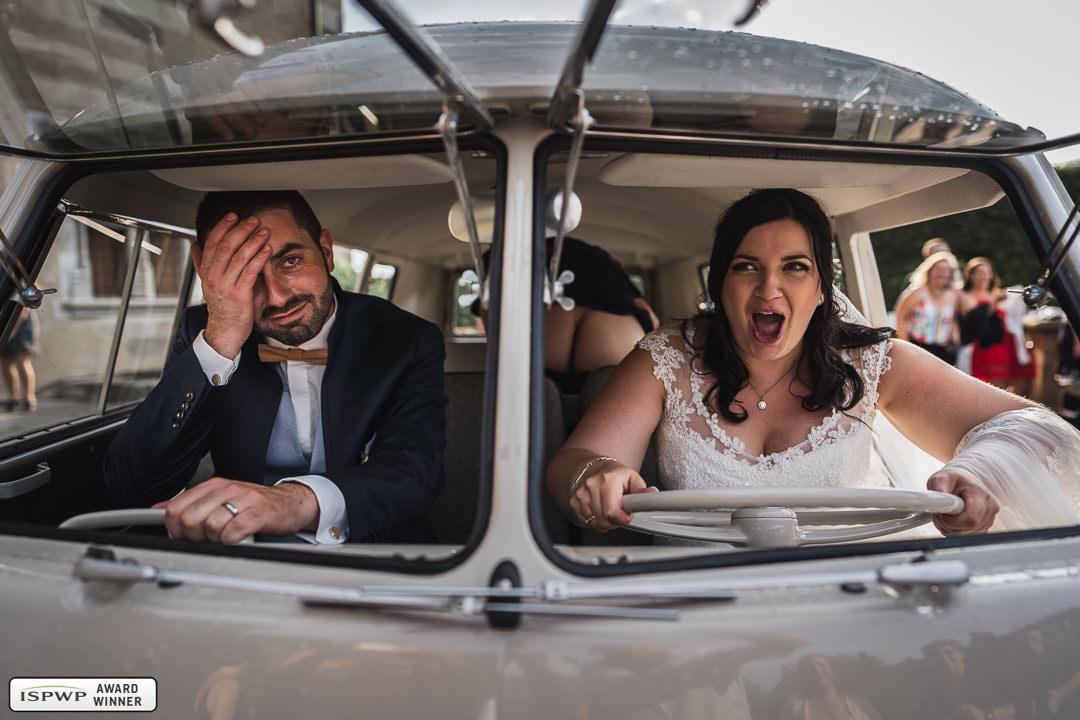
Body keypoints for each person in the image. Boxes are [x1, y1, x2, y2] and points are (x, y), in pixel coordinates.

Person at [546, 188, 1080, 536]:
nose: (769, 288)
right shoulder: (665, 358)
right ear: (720, 284)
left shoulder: (873, 362)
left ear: (823, 287)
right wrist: (596, 474)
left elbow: (1033, 425)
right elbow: (578, 458)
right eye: (746, 266)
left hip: (840, 595)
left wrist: (975, 470)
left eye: (795, 267)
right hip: (700, 602)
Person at [104, 191, 446, 544]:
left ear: (326, 251)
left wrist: (295, 503)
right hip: (245, 552)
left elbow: (414, 471)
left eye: (292, 261)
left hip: (371, 546)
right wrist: (220, 341)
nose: (278, 298)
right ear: (206, 270)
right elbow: (132, 485)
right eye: (244, 274)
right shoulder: (203, 331)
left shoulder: (406, 338)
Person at [958, 257, 1033, 396]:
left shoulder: (998, 293)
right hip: (984, 346)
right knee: (993, 385)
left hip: (1006, 343)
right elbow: (973, 319)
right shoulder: (965, 296)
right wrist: (993, 302)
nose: (984, 275)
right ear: (971, 275)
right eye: (980, 272)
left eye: (988, 272)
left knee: (1014, 382)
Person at [894, 250, 961, 364]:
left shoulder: (953, 295)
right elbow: (900, 318)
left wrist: (956, 342)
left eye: (946, 270)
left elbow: (953, 320)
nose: (942, 273)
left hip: (944, 351)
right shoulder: (916, 292)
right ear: (929, 271)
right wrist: (908, 347)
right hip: (918, 347)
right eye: (938, 269)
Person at [0, 306, 38, 412]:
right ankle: (13, 399)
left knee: (23, 361)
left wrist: (13, 328)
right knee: (5, 361)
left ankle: (29, 399)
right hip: (6, 321)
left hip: (21, 322)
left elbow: (24, 308)